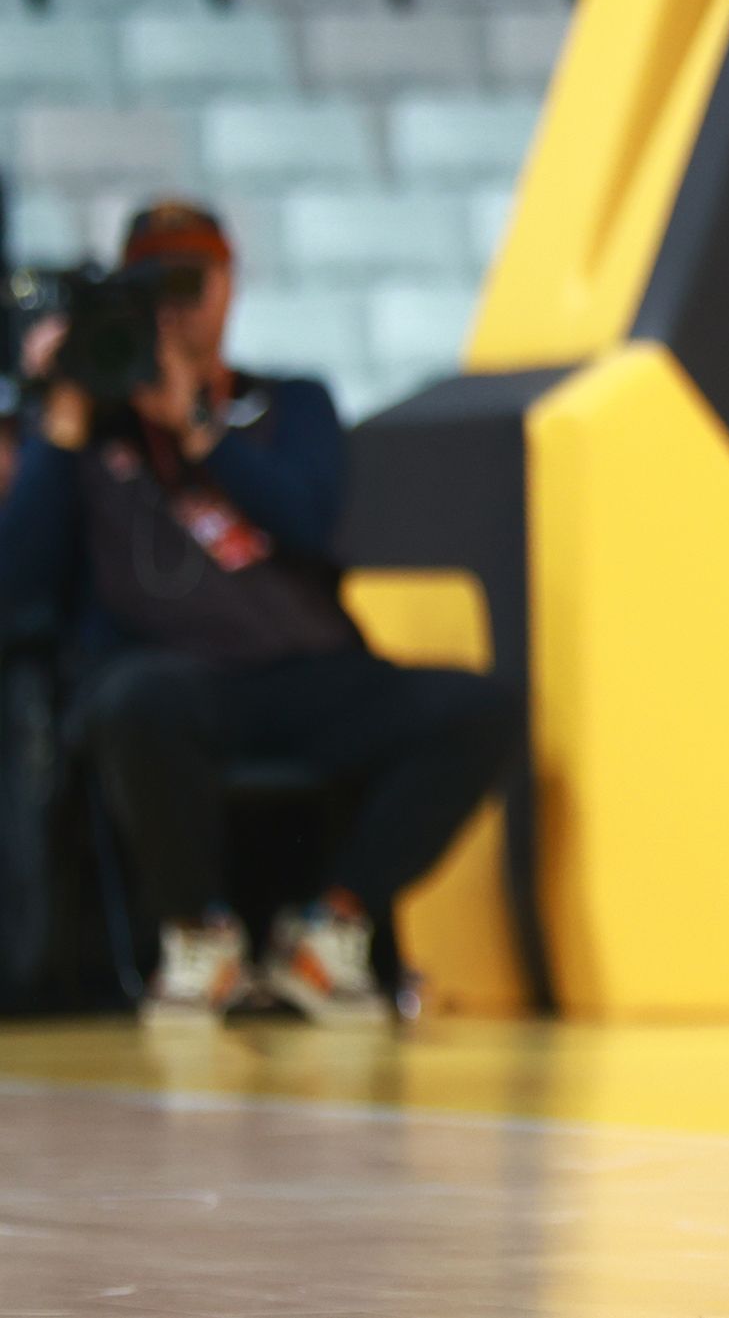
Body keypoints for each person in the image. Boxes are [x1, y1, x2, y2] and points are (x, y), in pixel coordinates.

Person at [0, 202, 518, 1027]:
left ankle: (331, 928)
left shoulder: (288, 402)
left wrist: (199, 430)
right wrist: (60, 418)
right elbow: (18, 581)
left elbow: (311, 522)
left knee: (480, 706)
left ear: (229, 284)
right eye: (151, 284)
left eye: (191, 280)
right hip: (176, 679)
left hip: (308, 671)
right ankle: (198, 935)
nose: (174, 306)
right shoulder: (85, 432)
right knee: (133, 699)